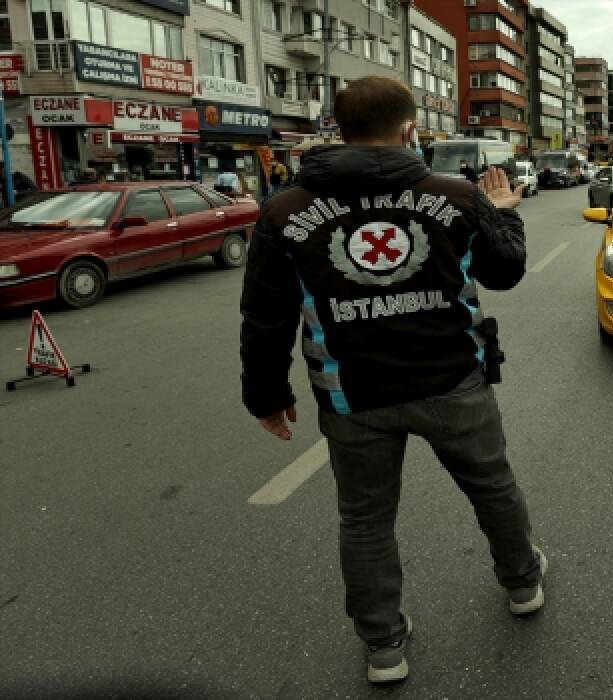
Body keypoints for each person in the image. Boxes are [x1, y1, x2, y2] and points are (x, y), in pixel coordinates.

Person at [239, 76, 539, 686]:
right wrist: (504, 216)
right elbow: (503, 272)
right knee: (493, 487)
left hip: (354, 399)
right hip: (454, 383)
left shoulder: (284, 212)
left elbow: (265, 318)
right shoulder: (454, 196)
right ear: (408, 130)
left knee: (366, 521)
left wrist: (267, 397)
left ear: (337, 130)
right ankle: (523, 582)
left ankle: (384, 646)